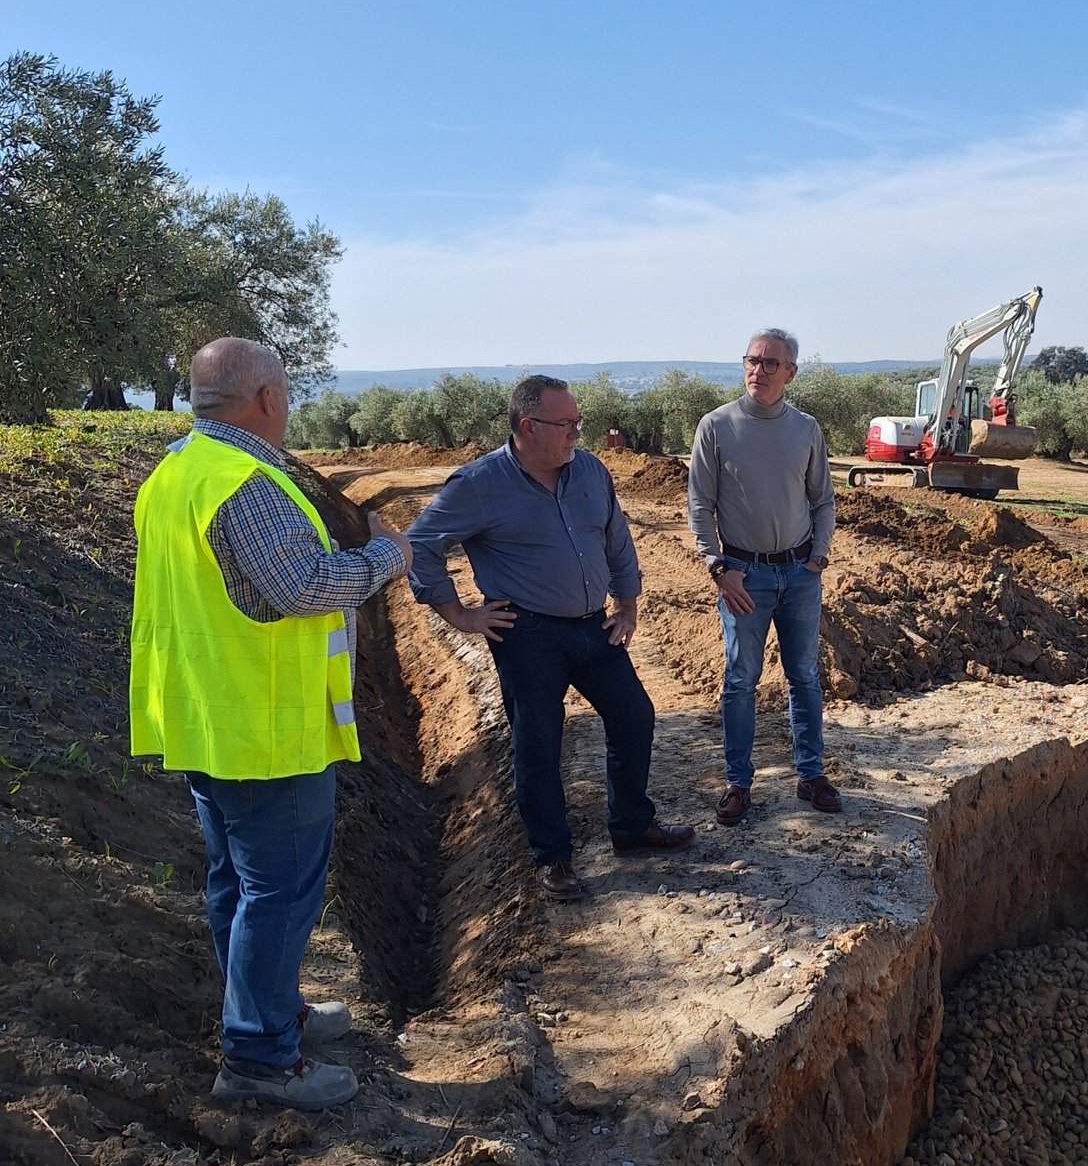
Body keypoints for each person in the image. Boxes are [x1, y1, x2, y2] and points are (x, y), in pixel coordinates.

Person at [129, 338, 412, 1110]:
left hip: (205, 719)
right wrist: (386, 558)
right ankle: (257, 1056)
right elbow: (305, 585)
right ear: (264, 398)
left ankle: (266, 1013)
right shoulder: (242, 481)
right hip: (265, 732)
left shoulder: (176, 472)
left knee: (238, 883)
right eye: (284, 391)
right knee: (278, 894)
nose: (288, 403)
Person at [405, 373, 694, 901]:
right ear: (527, 426)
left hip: (592, 625)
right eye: (566, 425)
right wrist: (460, 615)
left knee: (634, 715)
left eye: (577, 423)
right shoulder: (477, 485)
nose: (576, 435)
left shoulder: (590, 471)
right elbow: (420, 544)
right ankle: (552, 859)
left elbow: (617, 539)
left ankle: (632, 827)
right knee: (539, 742)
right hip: (526, 634)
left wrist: (627, 604)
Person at [687, 328, 839, 825]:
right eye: (752, 360)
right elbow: (699, 505)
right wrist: (719, 569)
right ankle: (738, 783)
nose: (759, 370)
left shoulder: (806, 429)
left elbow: (822, 500)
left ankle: (810, 774)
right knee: (739, 681)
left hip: (799, 576)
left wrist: (816, 558)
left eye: (771, 363)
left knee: (805, 676)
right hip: (742, 577)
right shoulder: (716, 426)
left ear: (791, 373)